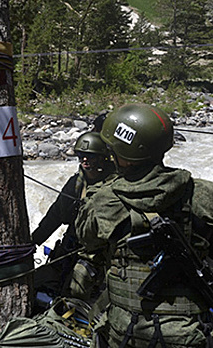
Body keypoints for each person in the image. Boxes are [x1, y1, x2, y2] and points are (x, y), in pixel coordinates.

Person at [76, 103, 213, 347]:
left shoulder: (104, 201)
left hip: (126, 331)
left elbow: (87, 239)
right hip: (191, 331)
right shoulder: (203, 194)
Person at [31, 131, 115, 303]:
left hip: (100, 254)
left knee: (78, 293)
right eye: (81, 156)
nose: (85, 160)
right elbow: (55, 215)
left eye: (90, 157)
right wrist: (34, 241)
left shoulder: (113, 185)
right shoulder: (75, 184)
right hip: (71, 248)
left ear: (102, 158)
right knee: (36, 282)